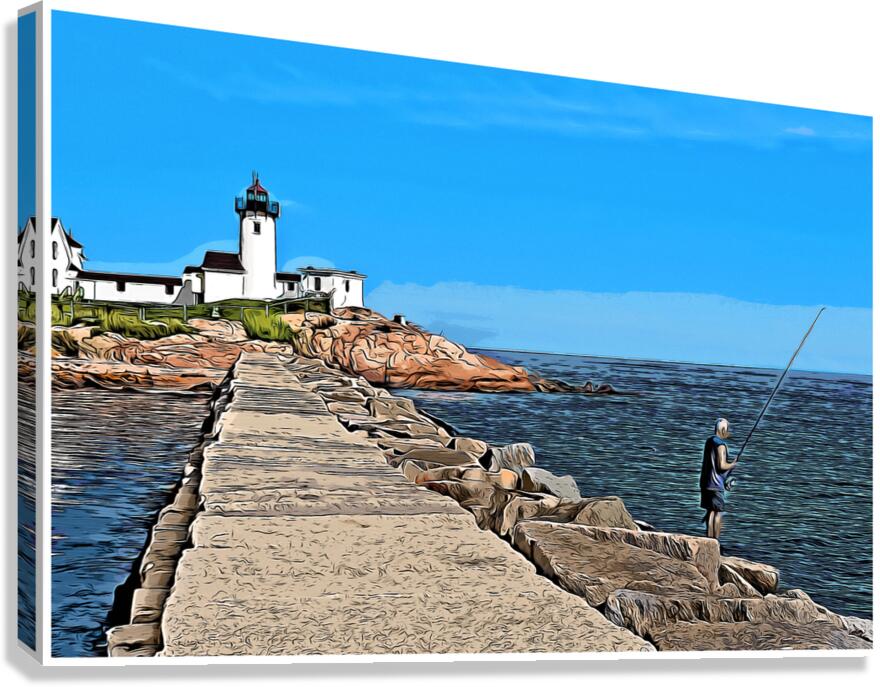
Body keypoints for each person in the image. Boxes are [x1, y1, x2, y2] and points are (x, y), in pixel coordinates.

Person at [700, 418, 738, 539]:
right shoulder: (720, 445)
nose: (728, 433)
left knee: (710, 511)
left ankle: (708, 539)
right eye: (727, 430)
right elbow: (721, 466)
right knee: (717, 513)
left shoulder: (709, 441)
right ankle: (714, 540)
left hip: (705, 483)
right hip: (715, 484)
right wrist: (733, 464)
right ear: (722, 430)